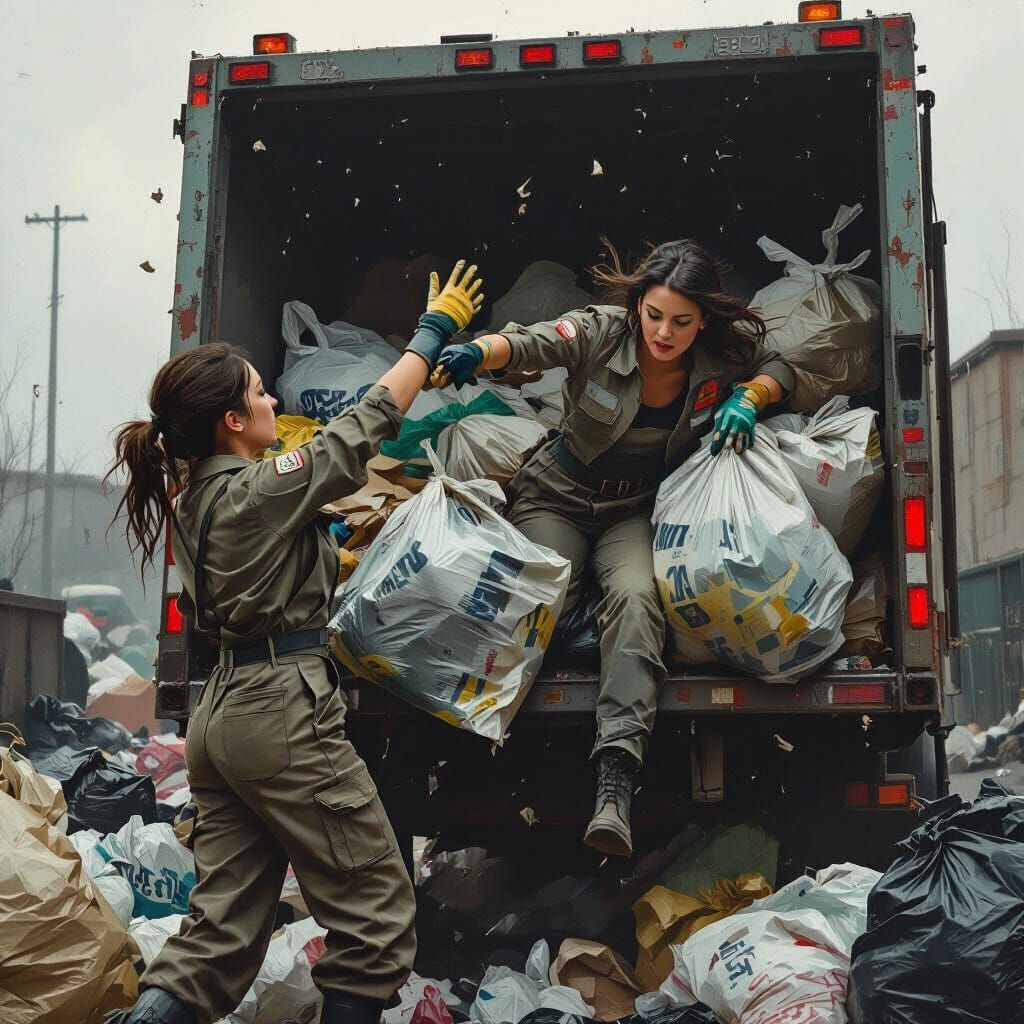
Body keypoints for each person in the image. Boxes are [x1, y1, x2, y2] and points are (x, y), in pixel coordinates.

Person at [104, 262, 484, 1024]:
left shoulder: (197, 499)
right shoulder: (256, 487)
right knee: (375, 916)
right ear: (232, 423)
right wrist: (433, 330)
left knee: (218, 937)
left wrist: (317, 540)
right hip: (281, 712)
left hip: (222, 718)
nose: (273, 398)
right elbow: (363, 427)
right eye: (258, 393)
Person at [432, 240, 793, 857]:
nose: (664, 332)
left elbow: (781, 365)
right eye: (654, 315)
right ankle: (478, 748)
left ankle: (615, 782)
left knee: (635, 600)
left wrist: (748, 397)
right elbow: (533, 341)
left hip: (636, 510)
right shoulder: (602, 333)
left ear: (703, 319)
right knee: (534, 603)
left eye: (681, 321)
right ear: (637, 306)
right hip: (558, 496)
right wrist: (476, 351)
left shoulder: (719, 355)